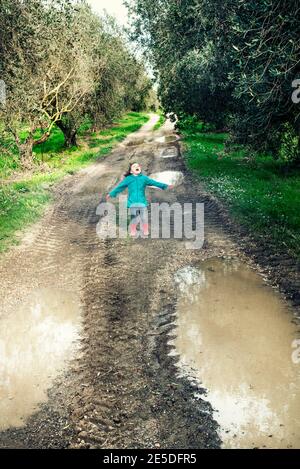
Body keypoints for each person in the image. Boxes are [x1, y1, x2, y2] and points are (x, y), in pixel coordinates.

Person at [106, 162, 174, 237]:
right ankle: (133, 230)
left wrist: (165, 186)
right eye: (134, 166)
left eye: (138, 166)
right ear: (131, 171)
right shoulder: (128, 179)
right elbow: (120, 187)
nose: (137, 166)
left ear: (140, 169)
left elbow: (154, 183)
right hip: (132, 202)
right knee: (134, 218)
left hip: (142, 202)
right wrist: (111, 194)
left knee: (144, 217)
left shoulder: (144, 178)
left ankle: (145, 230)